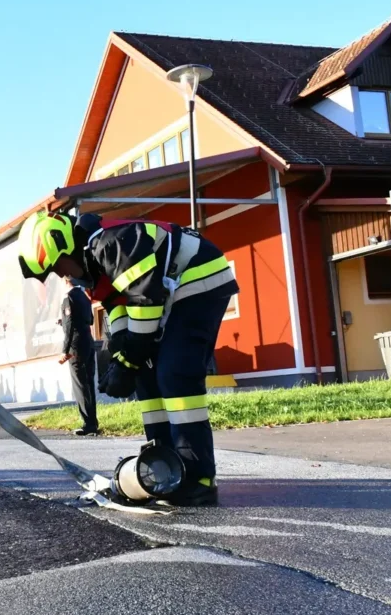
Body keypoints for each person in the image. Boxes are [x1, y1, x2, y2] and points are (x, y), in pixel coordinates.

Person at [17, 211, 238, 506]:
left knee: (175, 373)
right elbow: (117, 305)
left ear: (65, 246)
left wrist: (128, 360)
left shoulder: (111, 243)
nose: (60, 274)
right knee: (146, 375)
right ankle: (165, 466)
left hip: (200, 277)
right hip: (168, 292)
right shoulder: (92, 261)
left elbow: (145, 301)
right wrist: (120, 356)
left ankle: (199, 478)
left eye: (57, 266)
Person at [57, 276, 99, 436]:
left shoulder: (68, 298)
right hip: (88, 341)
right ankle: (93, 421)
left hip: (75, 346)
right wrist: (65, 321)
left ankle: (88, 424)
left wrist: (64, 350)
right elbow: (90, 320)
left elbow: (69, 326)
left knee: (80, 385)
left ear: (65, 281)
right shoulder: (85, 297)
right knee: (88, 382)